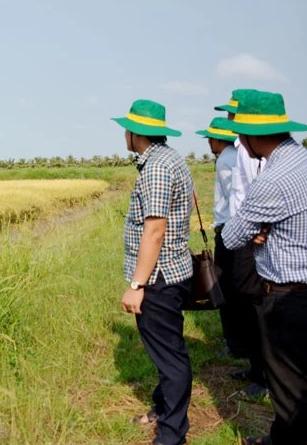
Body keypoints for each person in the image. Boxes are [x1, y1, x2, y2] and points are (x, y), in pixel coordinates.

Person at [221, 90, 307, 445]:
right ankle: (303, 437)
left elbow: (231, 236)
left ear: (254, 136)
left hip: (290, 298)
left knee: (286, 386)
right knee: (299, 378)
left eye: (241, 134)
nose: (240, 142)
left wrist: (255, 230)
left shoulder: (273, 179)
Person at [113, 99, 194, 445]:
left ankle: (172, 435)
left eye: (126, 130)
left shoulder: (157, 168)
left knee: (170, 356)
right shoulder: (170, 158)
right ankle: (163, 409)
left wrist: (137, 284)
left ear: (136, 133)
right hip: (171, 271)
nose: (124, 135)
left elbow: (155, 230)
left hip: (159, 278)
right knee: (167, 349)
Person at [214, 89, 268, 399]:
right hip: (240, 235)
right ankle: (254, 365)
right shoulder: (239, 149)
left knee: (255, 304)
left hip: (250, 237)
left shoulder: (248, 152)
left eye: (232, 113)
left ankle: (265, 376)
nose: (229, 118)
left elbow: (254, 196)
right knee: (245, 302)